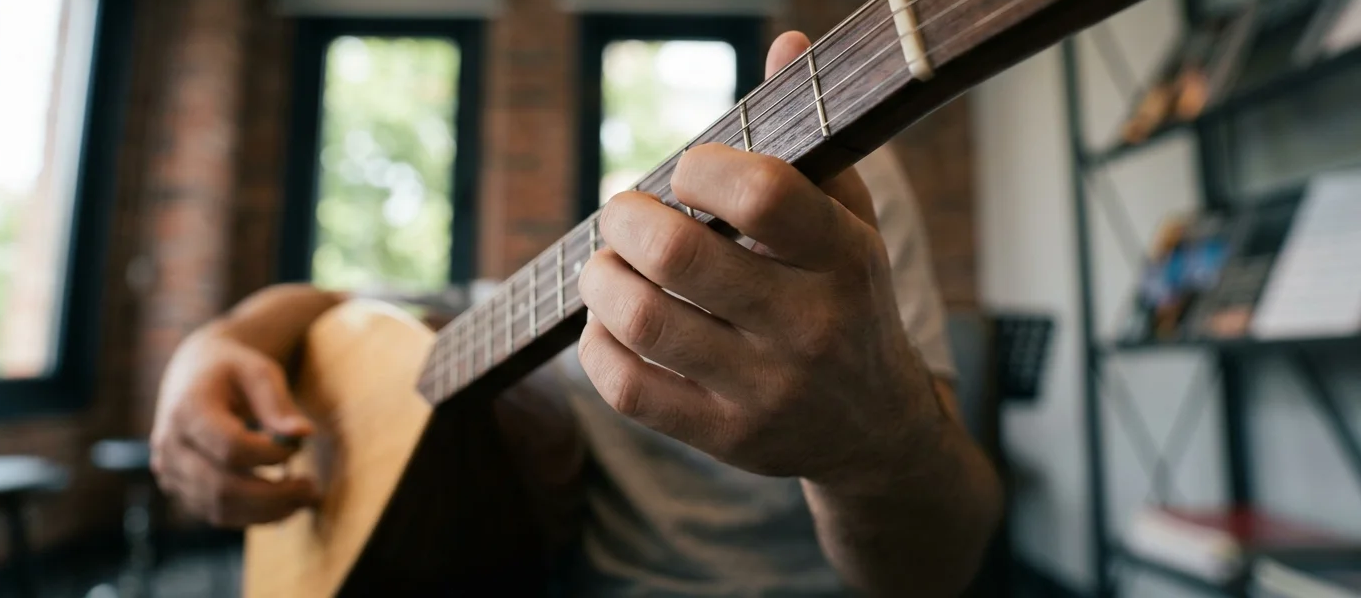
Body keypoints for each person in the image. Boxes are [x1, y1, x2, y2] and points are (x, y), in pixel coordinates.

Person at [150, 31, 1002, 597]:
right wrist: (215, 343)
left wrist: (872, 448)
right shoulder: (554, 283)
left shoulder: (834, 200)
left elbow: (945, 561)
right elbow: (339, 304)